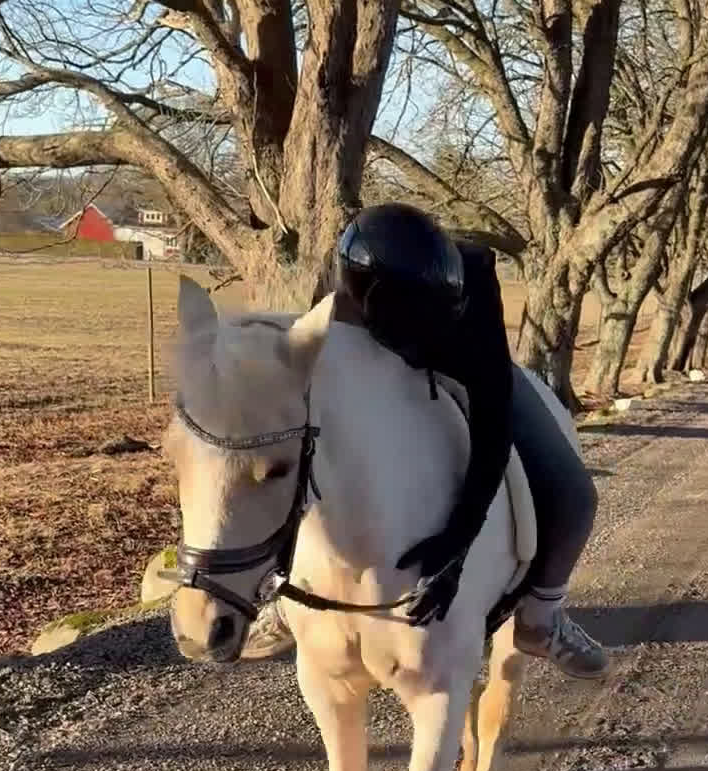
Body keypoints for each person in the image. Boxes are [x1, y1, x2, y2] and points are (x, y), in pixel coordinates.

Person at [245, 202, 608, 677]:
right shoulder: (343, 288)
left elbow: (493, 424)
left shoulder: (473, 281)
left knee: (576, 497)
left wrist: (457, 545)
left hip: (467, 365)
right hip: (369, 362)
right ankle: (280, 596)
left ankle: (541, 617)